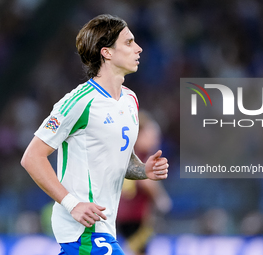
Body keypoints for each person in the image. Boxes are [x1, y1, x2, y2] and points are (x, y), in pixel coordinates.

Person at [20, 14, 169, 255]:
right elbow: (32, 157)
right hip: (85, 232)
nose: (139, 48)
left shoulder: (130, 100)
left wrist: (144, 170)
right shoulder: (79, 102)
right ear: (107, 52)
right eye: (129, 42)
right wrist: (72, 205)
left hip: (104, 230)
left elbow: (121, 159)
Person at [117, 110, 172, 255]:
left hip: (122, 214)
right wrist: (160, 198)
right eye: (152, 136)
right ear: (139, 135)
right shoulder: (142, 157)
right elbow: (146, 182)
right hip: (136, 216)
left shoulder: (126, 154)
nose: (156, 141)